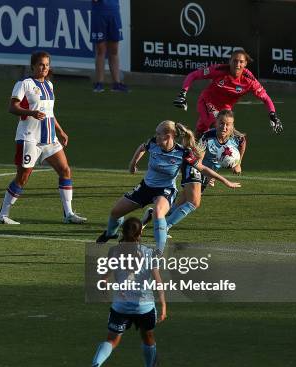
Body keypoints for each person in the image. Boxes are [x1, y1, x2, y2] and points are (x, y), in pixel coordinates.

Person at [96, 121, 241, 254]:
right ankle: (110, 233)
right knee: (116, 212)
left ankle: (159, 251)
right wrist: (133, 163)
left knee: (159, 212)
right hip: (145, 187)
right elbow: (142, 147)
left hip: (165, 191)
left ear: (168, 136)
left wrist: (225, 181)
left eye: (158, 134)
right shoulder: (153, 143)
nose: (155, 136)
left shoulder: (182, 153)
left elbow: (202, 168)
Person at [0, 51, 87, 225]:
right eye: (41, 65)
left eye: (47, 65)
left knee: (65, 170)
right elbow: (12, 108)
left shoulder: (50, 86)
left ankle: (68, 214)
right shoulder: (24, 84)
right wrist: (31, 112)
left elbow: (50, 113)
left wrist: (60, 131)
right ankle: (2, 214)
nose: (44, 68)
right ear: (33, 66)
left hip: (50, 138)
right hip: (29, 138)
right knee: (22, 177)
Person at [81, 217, 166, 367]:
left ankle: (95, 366)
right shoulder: (149, 252)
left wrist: (104, 287)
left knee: (111, 340)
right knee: (148, 337)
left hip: (120, 306)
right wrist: (163, 305)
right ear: (141, 232)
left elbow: (104, 277)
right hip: (144, 307)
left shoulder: (114, 251)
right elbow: (158, 281)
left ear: (123, 232)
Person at [143, 110, 246, 233]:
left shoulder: (237, 138)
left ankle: (153, 213)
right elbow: (199, 163)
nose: (224, 127)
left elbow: (243, 143)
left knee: (182, 202)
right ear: (216, 122)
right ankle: (165, 227)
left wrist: (238, 163)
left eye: (228, 124)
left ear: (232, 125)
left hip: (207, 171)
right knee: (194, 202)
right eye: (221, 123)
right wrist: (209, 176)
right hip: (193, 167)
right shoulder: (208, 137)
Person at [173, 50, 283, 136]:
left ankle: (187, 140)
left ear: (245, 64)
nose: (237, 64)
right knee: (218, 128)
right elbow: (193, 75)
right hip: (207, 102)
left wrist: (273, 115)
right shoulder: (219, 70)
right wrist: (183, 93)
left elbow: (266, 98)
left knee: (200, 136)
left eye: (241, 62)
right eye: (235, 61)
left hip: (226, 109)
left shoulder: (249, 80)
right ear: (230, 61)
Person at [91, 0, 128, 92]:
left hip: (114, 13)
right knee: (100, 50)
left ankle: (117, 83)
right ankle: (99, 83)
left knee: (114, 50)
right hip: (99, 13)